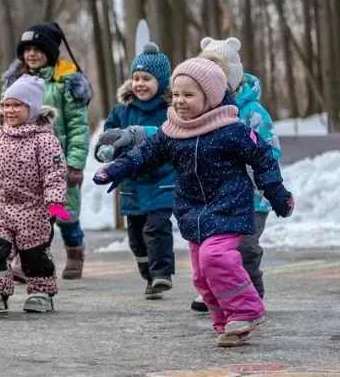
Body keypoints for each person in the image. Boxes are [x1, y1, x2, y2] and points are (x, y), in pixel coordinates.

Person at [93, 58, 294, 347]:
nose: (180, 102)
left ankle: (246, 310)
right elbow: (143, 154)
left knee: (216, 258)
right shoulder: (172, 131)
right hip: (192, 211)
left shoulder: (232, 128)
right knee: (201, 275)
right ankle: (227, 322)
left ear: (210, 97)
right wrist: (114, 169)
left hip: (229, 206)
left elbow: (263, 159)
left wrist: (278, 196)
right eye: (175, 95)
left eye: (189, 95)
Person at [0, 75, 68, 313]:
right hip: (2, 209)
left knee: (34, 254)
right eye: (6, 105)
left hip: (34, 210)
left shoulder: (45, 141)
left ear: (32, 108)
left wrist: (55, 202)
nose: (9, 110)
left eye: (17, 105)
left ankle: (41, 292)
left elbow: (54, 173)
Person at [192, 37, 282, 312]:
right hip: (217, 195)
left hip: (253, 196)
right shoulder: (202, 110)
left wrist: (252, 171)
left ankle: (252, 291)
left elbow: (271, 152)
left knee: (244, 246)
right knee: (210, 244)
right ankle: (218, 289)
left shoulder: (253, 113)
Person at [0, 22, 92, 280]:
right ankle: (29, 261)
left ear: (50, 53)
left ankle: (75, 251)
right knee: (30, 215)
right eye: (27, 48)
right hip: (24, 164)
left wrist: (74, 163)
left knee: (66, 214)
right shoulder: (15, 82)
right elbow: (4, 121)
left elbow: (77, 126)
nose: (32, 54)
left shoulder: (65, 83)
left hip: (58, 163)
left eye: (38, 49)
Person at [96, 43, 177, 300]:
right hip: (131, 185)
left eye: (147, 79)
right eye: (136, 78)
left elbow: (172, 137)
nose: (140, 84)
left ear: (161, 81)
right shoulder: (122, 111)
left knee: (157, 227)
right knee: (136, 237)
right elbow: (106, 139)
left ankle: (163, 273)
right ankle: (149, 275)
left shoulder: (170, 110)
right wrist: (105, 151)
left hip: (162, 180)